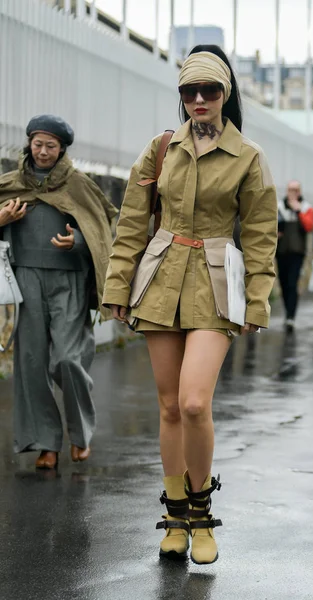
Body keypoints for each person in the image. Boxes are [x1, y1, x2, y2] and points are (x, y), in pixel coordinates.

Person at [102, 45, 277, 565]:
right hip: (160, 278)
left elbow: (262, 235)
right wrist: (116, 287)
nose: (199, 100)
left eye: (210, 90)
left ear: (226, 94)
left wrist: (258, 300)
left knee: (196, 402)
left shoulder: (248, 156)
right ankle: (174, 515)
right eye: (189, 91)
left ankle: (202, 516)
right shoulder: (159, 149)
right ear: (180, 96)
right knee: (171, 406)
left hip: (218, 284)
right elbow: (132, 221)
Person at [0, 114, 118, 469]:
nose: (43, 151)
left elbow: (102, 228)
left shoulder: (79, 186)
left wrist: (78, 241)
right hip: (25, 278)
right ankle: (45, 444)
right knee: (31, 364)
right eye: (38, 144)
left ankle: (80, 434)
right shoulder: (10, 184)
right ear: (29, 144)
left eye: (51, 146)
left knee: (68, 359)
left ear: (62, 149)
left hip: (68, 282)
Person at [277, 180, 313, 332]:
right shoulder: (279, 206)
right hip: (281, 252)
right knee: (284, 283)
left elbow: (309, 226)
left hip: (297, 253)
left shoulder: (306, 208)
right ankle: (287, 311)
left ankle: (291, 316)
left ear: (300, 191)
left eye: (296, 190)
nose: (293, 193)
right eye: (290, 189)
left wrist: (298, 211)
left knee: (293, 284)